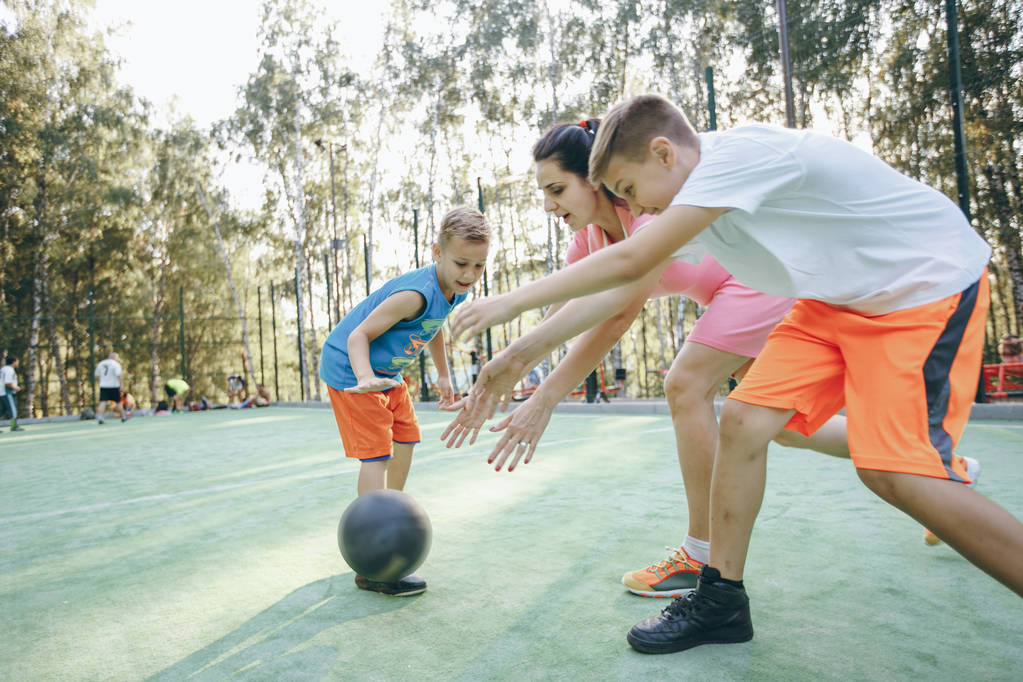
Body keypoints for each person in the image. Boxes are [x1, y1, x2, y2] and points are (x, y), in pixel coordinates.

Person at [450, 94, 1022, 652]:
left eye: (628, 189)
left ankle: (940, 473)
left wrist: (504, 306)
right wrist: (517, 359)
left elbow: (631, 265)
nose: (634, 207)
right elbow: (614, 286)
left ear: (664, 154)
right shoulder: (685, 196)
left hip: (923, 288)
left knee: (893, 474)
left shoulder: (732, 162)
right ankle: (721, 599)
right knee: (745, 419)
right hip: (835, 299)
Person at [441, 119, 874, 599]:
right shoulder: (587, 241)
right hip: (732, 297)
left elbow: (618, 312)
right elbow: (565, 318)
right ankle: (924, 458)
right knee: (789, 427)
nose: (549, 205)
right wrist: (509, 367)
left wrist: (541, 393)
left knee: (685, 384)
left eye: (557, 189)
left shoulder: (646, 215)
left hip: (754, 286)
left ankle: (699, 554)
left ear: (594, 177)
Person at [319, 205, 490, 596]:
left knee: (407, 438)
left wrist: (443, 376)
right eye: (461, 263)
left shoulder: (454, 291)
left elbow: (434, 328)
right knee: (376, 453)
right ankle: (373, 553)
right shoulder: (414, 294)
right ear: (437, 253)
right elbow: (357, 336)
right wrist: (364, 377)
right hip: (351, 369)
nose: (468, 275)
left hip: (386, 373)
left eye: (478, 267)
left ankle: (391, 519)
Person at [94, 352, 127, 424]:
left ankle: (100, 418)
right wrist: (121, 384)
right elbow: (118, 375)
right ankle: (123, 417)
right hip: (114, 386)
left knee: (102, 402)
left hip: (103, 386)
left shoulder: (101, 363)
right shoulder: (116, 364)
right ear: (115, 358)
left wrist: (101, 381)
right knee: (118, 402)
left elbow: (96, 375)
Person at [0, 356, 23, 432]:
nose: (17, 363)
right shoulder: (9, 370)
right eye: (17, 361)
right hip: (6, 392)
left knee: (2, 410)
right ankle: (14, 426)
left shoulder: (3, 369)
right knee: (12, 409)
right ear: (14, 362)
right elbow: (8, 383)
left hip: (1, 392)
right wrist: (15, 388)